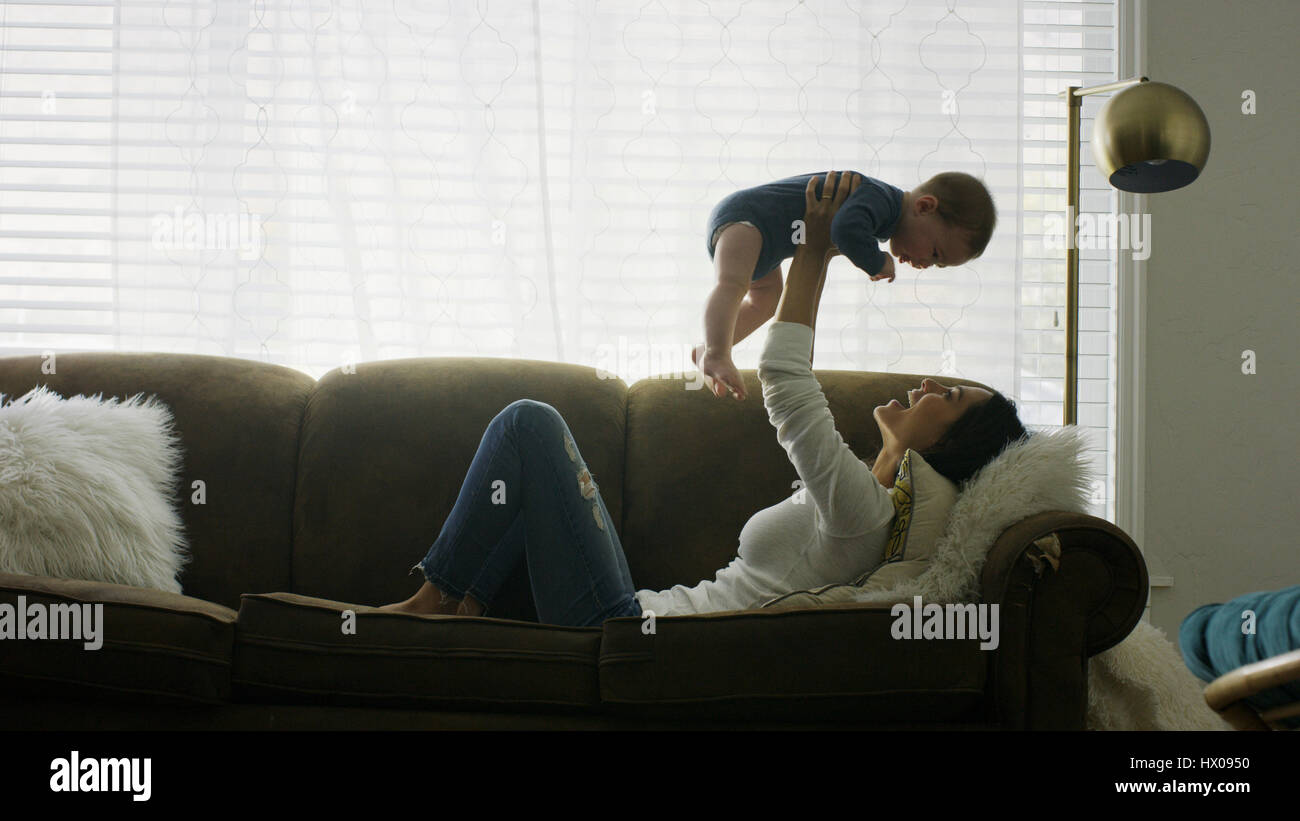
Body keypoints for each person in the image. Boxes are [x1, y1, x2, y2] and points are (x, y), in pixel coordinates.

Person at [379, 171, 1024, 626]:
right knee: (530, 464)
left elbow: (785, 380)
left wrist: (815, 254)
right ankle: (463, 606)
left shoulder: (865, 514)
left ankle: (432, 603)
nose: (932, 384)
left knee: (529, 426)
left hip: (624, 626)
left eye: (954, 395)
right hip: (634, 616)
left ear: (948, 443)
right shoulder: (859, 497)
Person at [694, 169, 996, 400]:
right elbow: (844, 230)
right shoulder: (881, 199)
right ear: (925, 207)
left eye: (936, 265)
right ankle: (718, 352)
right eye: (934, 253)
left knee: (766, 301)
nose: (925, 265)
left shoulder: (883, 215)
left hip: (767, 245)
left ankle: (707, 348)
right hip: (749, 219)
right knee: (731, 284)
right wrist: (876, 262)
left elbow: (831, 238)